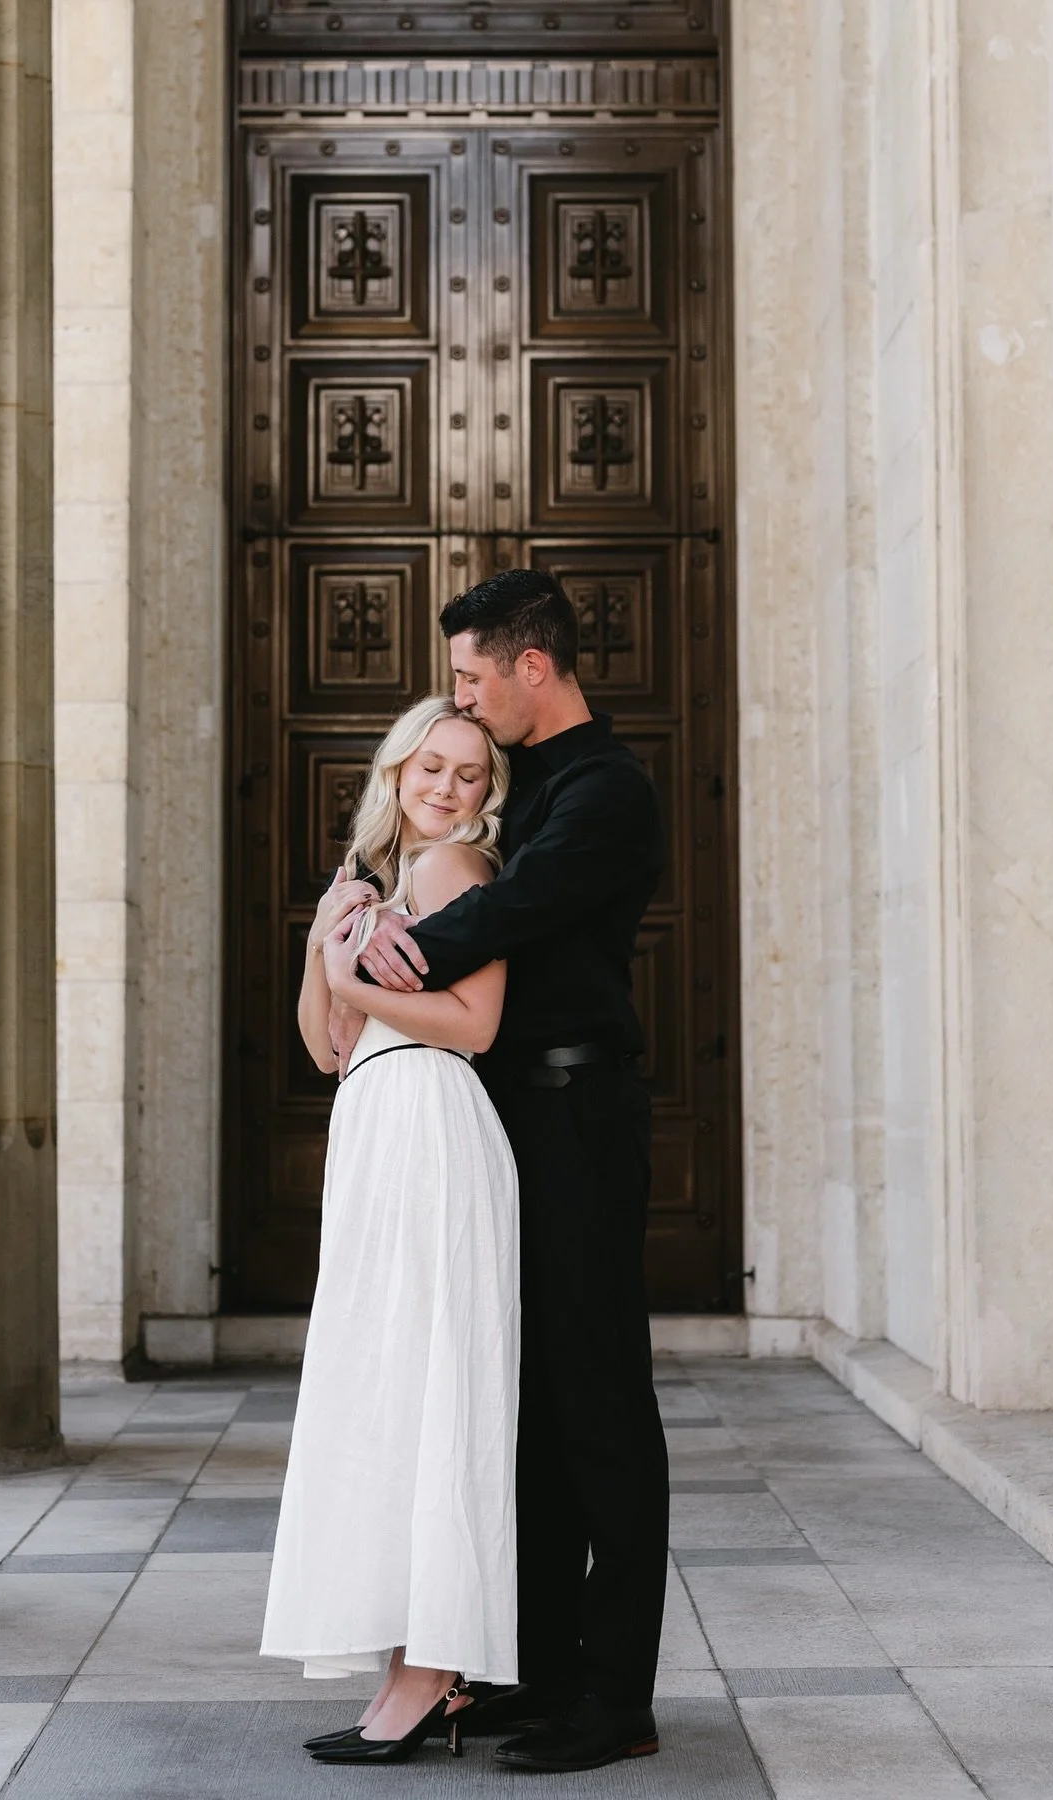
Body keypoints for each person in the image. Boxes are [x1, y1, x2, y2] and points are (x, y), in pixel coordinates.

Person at [356, 568, 670, 1775]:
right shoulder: (514, 779)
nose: (462, 700)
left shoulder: (608, 792)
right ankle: (535, 1674)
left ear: (532, 666)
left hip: (579, 1114)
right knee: (521, 1404)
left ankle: (616, 1698)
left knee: (598, 1406)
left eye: (474, 675)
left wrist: (376, 957)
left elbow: (513, 912)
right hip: (500, 1123)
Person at [260, 695, 521, 1767]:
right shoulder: (373, 883)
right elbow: (327, 1047)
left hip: (431, 1116)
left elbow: (477, 1025)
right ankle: (411, 1661)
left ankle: (434, 1668)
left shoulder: (460, 873)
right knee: (385, 1384)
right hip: (373, 1116)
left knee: (429, 1384)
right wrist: (327, 945)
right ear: (397, 770)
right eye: (432, 767)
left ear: (485, 795)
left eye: (470, 774)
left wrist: (345, 971)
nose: (448, 788)